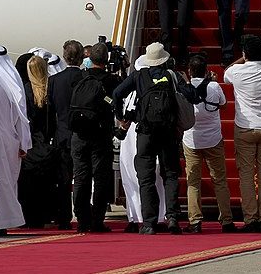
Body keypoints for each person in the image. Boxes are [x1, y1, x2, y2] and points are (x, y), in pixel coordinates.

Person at [112, 43, 185, 235]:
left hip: (145, 132)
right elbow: (190, 96)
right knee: (170, 175)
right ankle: (173, 218)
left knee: (146, 177)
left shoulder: (138, 76)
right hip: (168, 132)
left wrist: (121, 116)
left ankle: (149, 222)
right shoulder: (172, 75)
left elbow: (117, 94)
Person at [224, 35, 261, 232]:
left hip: (245, 127)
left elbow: (226, 72)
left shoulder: (237, 71)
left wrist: (242, 59)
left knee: (246, 175)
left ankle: (250, 218)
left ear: (245, 53)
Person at [182, 54, 235, 233]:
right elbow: (224, 105)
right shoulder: (214, 86)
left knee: (193, 182)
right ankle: (227, 220)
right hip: (213, 138)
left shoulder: (185, 89)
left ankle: (195, 221)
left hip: (191, 139)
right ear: (206, 70)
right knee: (220, 180)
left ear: (189, 71)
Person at [70, 43, 119, 233]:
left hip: (79, 133)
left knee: (81, 177)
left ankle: (82, 220)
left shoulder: (81, 77)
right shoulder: (110, 80)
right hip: (100, 134)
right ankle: (97, 220)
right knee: (100, 178)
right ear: (106, 60)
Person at [0, 46, 33, 234]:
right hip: (12, 139)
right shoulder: (14, 78)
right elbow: (22, 114)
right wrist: (24, 142)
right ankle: (3, 221)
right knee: (9, 181)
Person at [116, 53, 166, 234]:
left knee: (133, 177)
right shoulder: (161, 86)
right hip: (152, 135)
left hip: (133, 138)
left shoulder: (130, 92)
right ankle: (157, 216)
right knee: (154, 177)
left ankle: (136, 216)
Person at [15, 53, 58, 228]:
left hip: (32, 141)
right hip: (48, 141)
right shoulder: (52, 87)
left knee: (28, 182)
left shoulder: (26, 89)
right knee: (46, 182)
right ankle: (46, 214)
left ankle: (29, 216)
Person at [45, 41, 84, 230]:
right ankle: (83, 214)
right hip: (83, 134)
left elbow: (50, 110)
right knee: (83, 176)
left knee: (64, 179)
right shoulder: (85, 78)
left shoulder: (54, 81)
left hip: (62, 134)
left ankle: (64, 217)